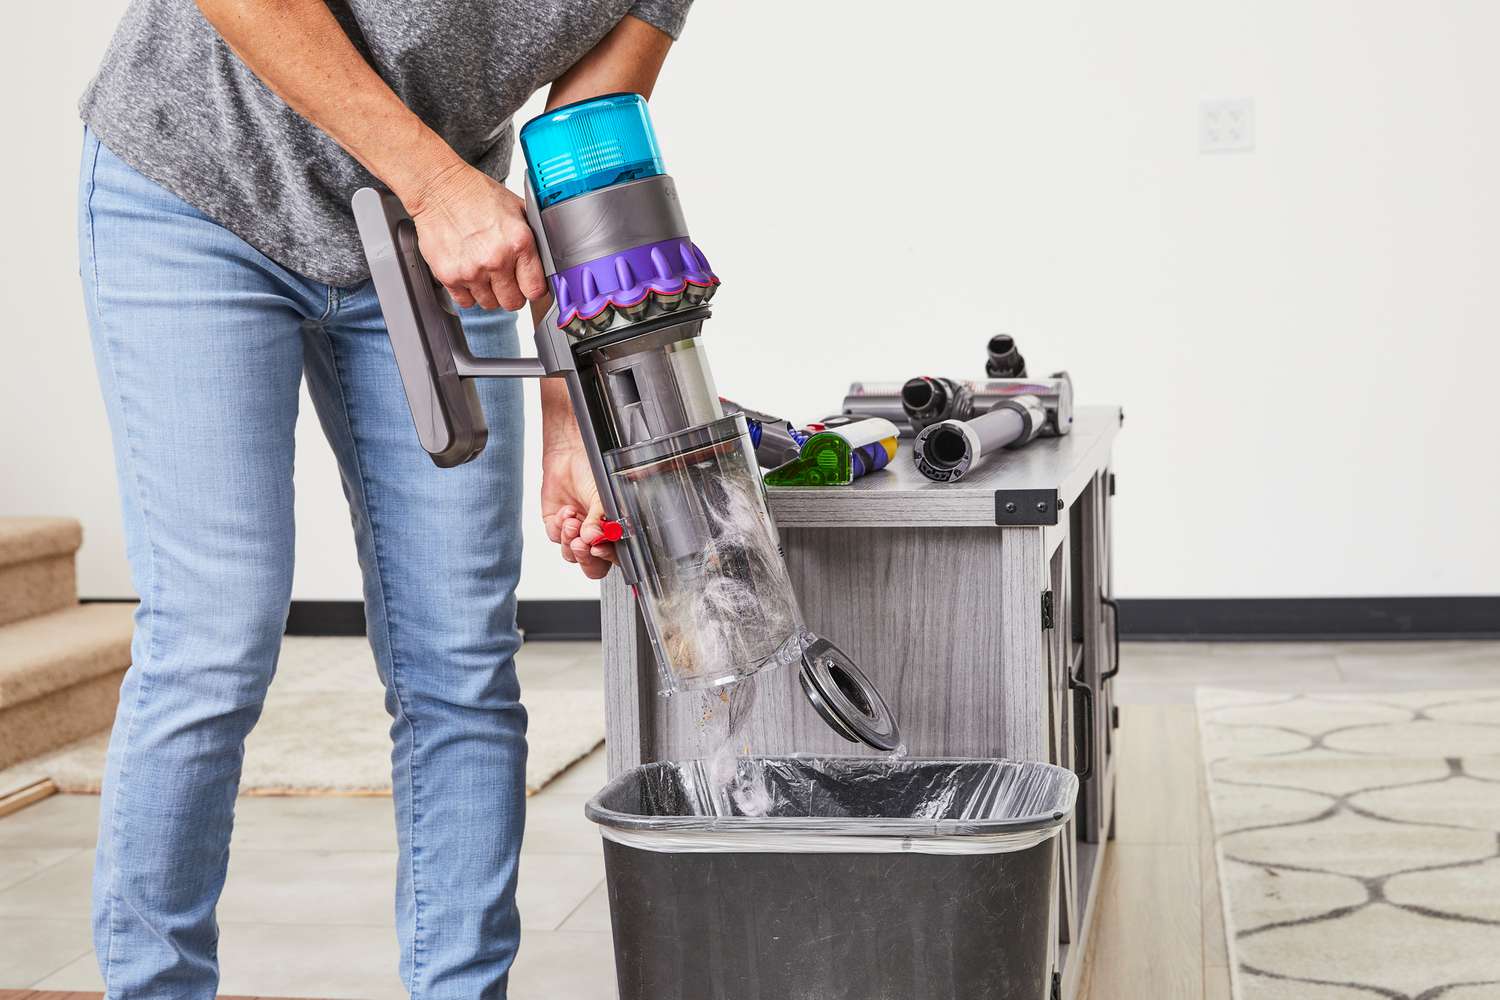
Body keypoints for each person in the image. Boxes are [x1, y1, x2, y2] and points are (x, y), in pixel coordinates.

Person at [76, 1, 690, 996]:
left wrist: (571, 403)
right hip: (197, 185)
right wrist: (439, 179)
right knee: (212, 637)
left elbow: (583, 155)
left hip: (424, 240)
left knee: (460, 656)